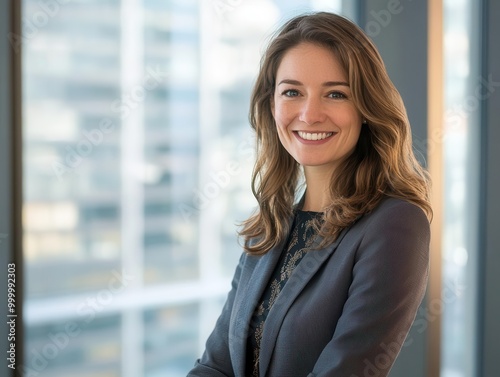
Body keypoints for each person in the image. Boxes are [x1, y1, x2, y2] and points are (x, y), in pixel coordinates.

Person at [187, 11, 432, 377]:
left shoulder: (395, 225)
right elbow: (215, 365)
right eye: (292, 92)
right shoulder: (269, 225)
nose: (310, 113)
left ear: (365, 108)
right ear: (272, 106)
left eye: (335, 94)